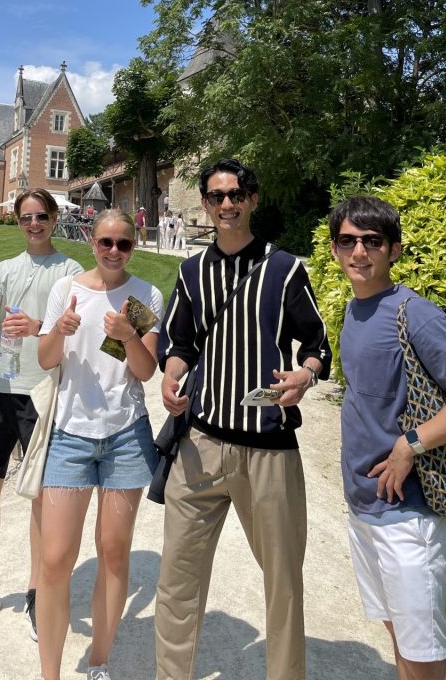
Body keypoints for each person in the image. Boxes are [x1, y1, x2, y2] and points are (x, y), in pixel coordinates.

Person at [154, 156, 332, 680]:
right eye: (216, 196)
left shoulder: (284, 268)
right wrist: (170, 373)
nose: (226, 204)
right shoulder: (192, 272)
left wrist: (306, 375)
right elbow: (180, 342)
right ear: (205, 204)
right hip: (200, 445)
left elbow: (318, 343)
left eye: (235, 194)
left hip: (268, 448)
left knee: (282, 583)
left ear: (252, 200)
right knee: (176, 581)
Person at [329, 195, 446, 680]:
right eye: (348, 241)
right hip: (365, 506)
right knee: (404, 639)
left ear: (394, 250)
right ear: (335, 250)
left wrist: (409, 445)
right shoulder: (355, 312)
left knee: (423, 658)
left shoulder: (413, 313)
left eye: (372, 242)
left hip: (408, 514)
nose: (359, 252)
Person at [0, 189, 83, 640]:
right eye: (26, 217)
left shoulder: (71, 271)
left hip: (43, 390)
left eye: (41, 216)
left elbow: (76, 332)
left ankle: (37, 592)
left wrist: (39, 326)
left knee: (40, 495)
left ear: (54, 218)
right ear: (18, 222)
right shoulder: (4, 268)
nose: (33, 224)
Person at [36, 210, 164, 680]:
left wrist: (130, 336)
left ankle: (98, 662)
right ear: (91, 241)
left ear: (135, 245)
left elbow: (145, 371)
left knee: (113, 550)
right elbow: (47, 358)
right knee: (54, 559)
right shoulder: (66, 289)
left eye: (124, 244)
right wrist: (58, 331)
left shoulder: (144, 295)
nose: (114, 251)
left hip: (125, 436)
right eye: (106, 242)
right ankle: (50, 672)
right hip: (71, 435)